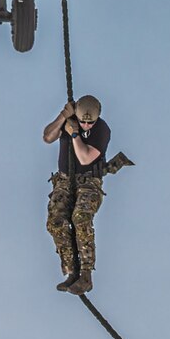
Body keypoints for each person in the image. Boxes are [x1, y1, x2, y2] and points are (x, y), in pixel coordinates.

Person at [42, 95, 110, 294]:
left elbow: (85, 157)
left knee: (80, 218)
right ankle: (72, 270)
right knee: (55, 221)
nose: (87, 125)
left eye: (91, 122)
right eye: (83, 121)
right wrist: (64, 116)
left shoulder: (102, 130)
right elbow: (47, 137)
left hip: (89, 183)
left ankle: (86, 275)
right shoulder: (69, 121)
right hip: (64, 181)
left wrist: (75, 134)